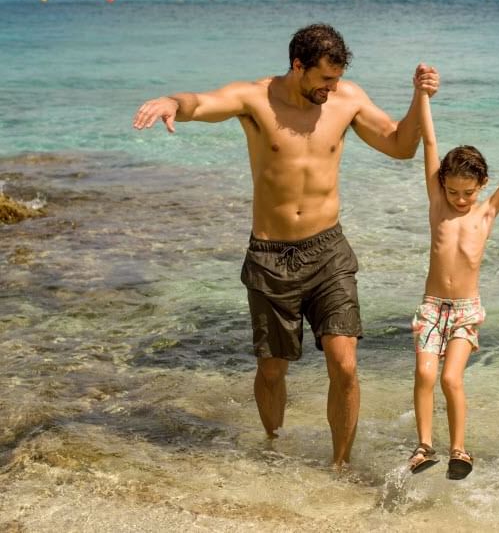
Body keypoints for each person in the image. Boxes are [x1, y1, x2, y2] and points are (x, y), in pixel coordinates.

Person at [132, 23, 440, 469]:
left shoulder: (347, 99)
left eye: (336, 79)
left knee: (345, 363)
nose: (330, 89)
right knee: (273, 370)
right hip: (270, 257)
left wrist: (419, 97)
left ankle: (340, 465)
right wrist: (171, 103)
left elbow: (400, 144)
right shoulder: (256, 99)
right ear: (298, 66)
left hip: (329, 251)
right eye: (324, 80)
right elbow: (203, 103)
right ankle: (273, 447)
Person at [407, 73, 499, 480]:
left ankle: (459, 450)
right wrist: (422, 96)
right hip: (432, 307)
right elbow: (430, 144)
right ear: (442, 186)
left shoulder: (486, 213)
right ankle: (422, 447)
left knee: (451, 378)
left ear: (481, 186)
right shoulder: (437, 205)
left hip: (466, 311)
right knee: (424, 373)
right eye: (453, 191)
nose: (460, 199)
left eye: (468, 192)